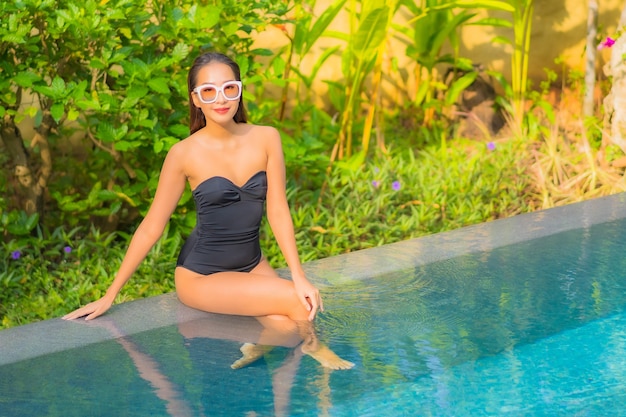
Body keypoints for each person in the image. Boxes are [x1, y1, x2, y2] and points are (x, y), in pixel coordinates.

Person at [63, 51, 354, 371]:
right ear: (195, 99)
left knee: (287, 326)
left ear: (240, 90)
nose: (221, 99)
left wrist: (298, 275)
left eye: (229, 88)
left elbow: (278, 209)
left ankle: (275, 391)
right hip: (202, 275)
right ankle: (318, 352)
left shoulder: (267, 138)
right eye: (208, 91)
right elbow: (152, 226)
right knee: (296, 302)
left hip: (252, 262)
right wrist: (109, 296)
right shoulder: (183, 154)